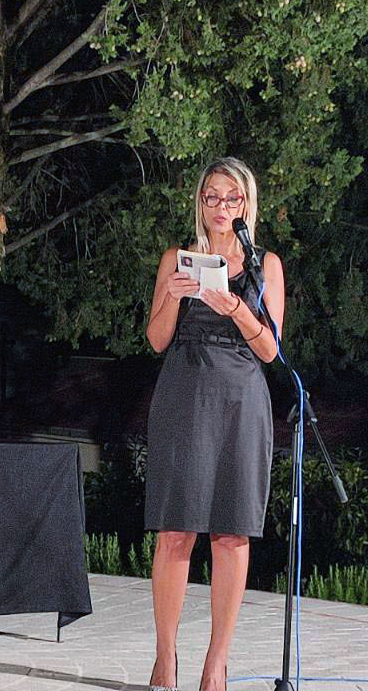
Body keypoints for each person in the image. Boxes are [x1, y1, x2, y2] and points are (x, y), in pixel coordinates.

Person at [142, 157, 285, 691]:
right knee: (175, 529)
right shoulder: (175, 260)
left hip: (241, 402)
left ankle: (216, 663)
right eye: (211, 197)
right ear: (200, 203)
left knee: (231, 532)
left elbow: (270, 350)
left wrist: (236, 309)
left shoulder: (265, 265)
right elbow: (156, 339)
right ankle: (165, 658)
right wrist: (173, 296)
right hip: (184, 395)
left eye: (232, 198)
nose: (221, 207)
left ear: (246, 204)